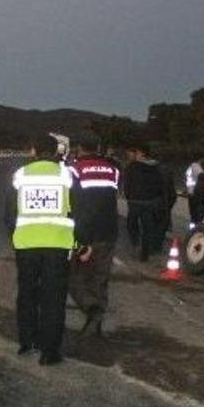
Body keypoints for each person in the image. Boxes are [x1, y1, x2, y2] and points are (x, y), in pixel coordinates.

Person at [4, 133, 77, 365]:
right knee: (53, 298)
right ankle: (49, 352)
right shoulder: (66, 174)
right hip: (57, 244)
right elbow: (77, 209)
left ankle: (27, 342)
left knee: (27, 294)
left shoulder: (21, 175)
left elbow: (9, 212)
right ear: (57, 151)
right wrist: (80, 241)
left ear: (33, 151)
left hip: (26, 244)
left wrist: (15, 235)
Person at [68, 140, 120, 338]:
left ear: (79, 149)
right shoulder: (113, 170)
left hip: (84, 231)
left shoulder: (74, 170)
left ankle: (92, 310)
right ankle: (95, 324)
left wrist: (81, 239)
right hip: (108, 230)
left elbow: (76, 203)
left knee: (74, 277)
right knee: (100, 278)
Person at [122, 143, 165, 262]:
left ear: (141, 154)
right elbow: (160, 184)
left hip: (135, 201)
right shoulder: (156, 167)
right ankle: (144, 252)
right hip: (149, 201)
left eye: (137, 153)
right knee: (147, 228)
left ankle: (136, 245)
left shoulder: (132, 167)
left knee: (132, 224)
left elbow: (127, 183)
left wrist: (128, 196)